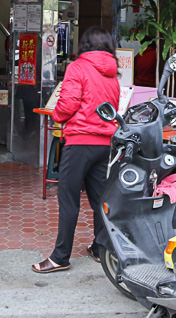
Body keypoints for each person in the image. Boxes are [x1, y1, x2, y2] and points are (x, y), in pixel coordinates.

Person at [32, 26, 120, 274]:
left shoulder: (78, 67)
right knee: (100, 200)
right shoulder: (113, 73)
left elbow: (68, 103)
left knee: (69, 200)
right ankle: (100, 248)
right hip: (105, 143)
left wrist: (58, 115)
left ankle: (60, 256)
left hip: (80, 141)